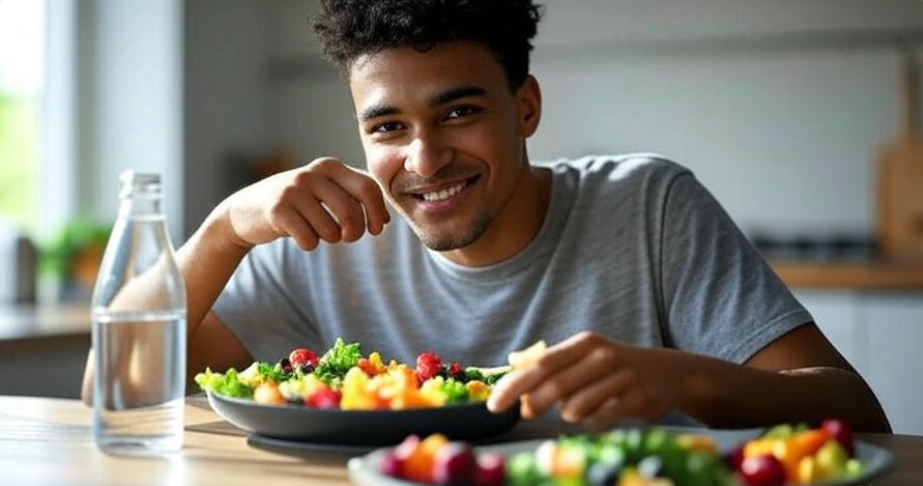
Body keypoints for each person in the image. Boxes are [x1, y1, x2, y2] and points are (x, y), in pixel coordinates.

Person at [82, 0, 890, 432]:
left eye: (458, 112)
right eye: (387, 127)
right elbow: (114, 389)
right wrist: (224, 229)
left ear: (525, 106)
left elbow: (858, 412)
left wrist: (672, 375)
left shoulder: (648, 204)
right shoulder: (324, 235)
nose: (425, 159)